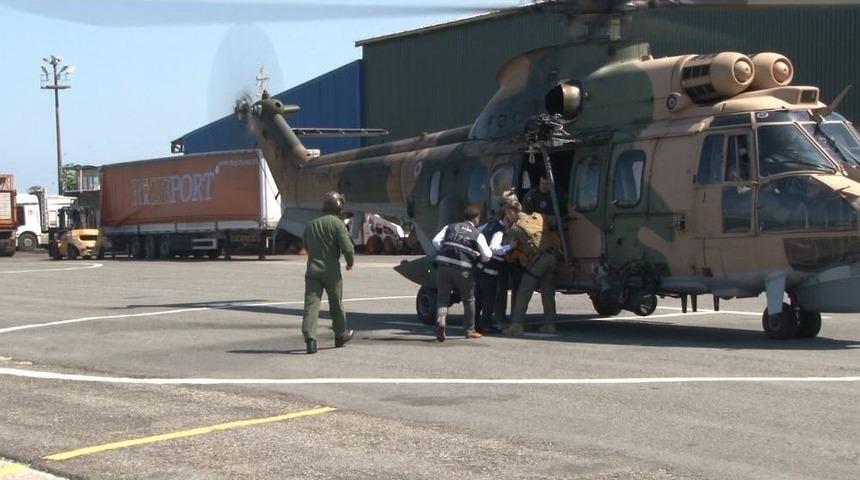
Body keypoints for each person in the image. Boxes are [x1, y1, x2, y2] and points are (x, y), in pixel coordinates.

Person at [301, 191, 355, 354]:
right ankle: (340, 334)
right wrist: (350, 263)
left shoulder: (311, 224)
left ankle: (310, 339)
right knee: (336, 304)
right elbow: (347, 247)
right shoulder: (337, 224)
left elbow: (307, 246)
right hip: (331, 270)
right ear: (338, 205)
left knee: (311, 305)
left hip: (312, 270)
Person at [431, 204, 493, 342]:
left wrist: (447, 249)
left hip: (443, 267)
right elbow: (487, 255)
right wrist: (477, 255)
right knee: (469, 299)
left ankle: (441, 321)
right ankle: (469, 330)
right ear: (477, 219)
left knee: (442, 298)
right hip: (463, 270)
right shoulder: (477, 234)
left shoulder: (450, 227)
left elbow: (435, 241)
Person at [503, 200, 558, 336]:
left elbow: (509, 252)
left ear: (512, 212)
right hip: (551, 257)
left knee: (523, 292)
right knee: (548, 293)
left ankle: (516, 325)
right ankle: (550, 325)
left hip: (538, 261)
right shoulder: (537, 217)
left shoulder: (515, 229)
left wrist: (506, 228)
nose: (506, 216)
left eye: (507, 213)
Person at [475, 204, 512, 333]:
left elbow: (476, 232)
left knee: (478, 298)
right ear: (506, 216)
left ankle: (475, 324)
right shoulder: (499, 230)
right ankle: (486, 325)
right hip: (490, 270)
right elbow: (494, 249)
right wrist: (510, 247)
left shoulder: (490, 224)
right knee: (488, 299)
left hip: (479, 267)